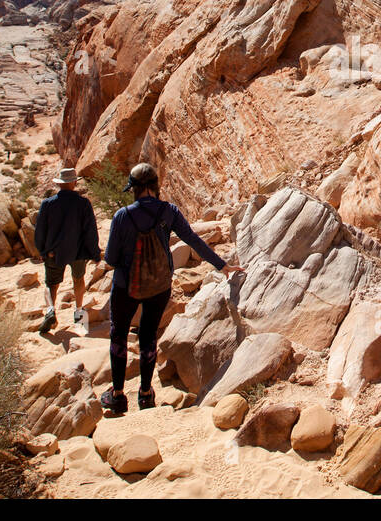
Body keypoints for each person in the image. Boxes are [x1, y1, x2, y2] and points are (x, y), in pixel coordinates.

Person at [101, 162, 240, 413]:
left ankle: (118, 395)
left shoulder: (122, 216)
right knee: (148, 335)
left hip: (126, 286)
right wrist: (222, 265)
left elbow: (110, 259)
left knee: (119, 334)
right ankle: (145, 393)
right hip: (159, 285)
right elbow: (193, 240)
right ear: (155, 186)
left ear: (134, 189)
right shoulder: (169, 211)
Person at [33, 167, 101, 335]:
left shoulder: (47, 204)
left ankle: (50, 310)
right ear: (74, 183)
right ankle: (79, 314)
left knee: (51, 284)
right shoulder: (83, 203)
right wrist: (94, 252)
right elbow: (90, 229)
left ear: (60, 184)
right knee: (78, 280)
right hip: (77, 251)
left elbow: (40, 230)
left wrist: (42, 250)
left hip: (53, 251)